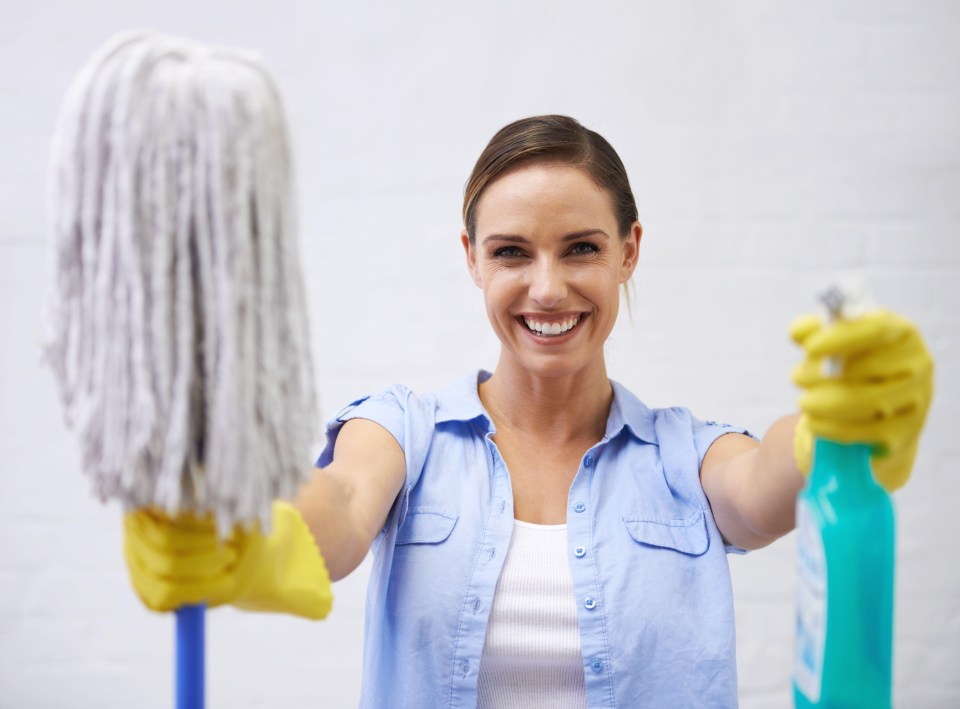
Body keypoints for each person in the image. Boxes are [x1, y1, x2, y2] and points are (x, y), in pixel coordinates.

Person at [124, 115, 934, 707]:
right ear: (472, 258)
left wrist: (844, 431)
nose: (548, 287)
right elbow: (334, 509)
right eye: (512, 251)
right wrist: (245, 522)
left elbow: (766, 476)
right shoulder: (405, 432)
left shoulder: (685, 455)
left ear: (629, 250)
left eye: (581, 247)